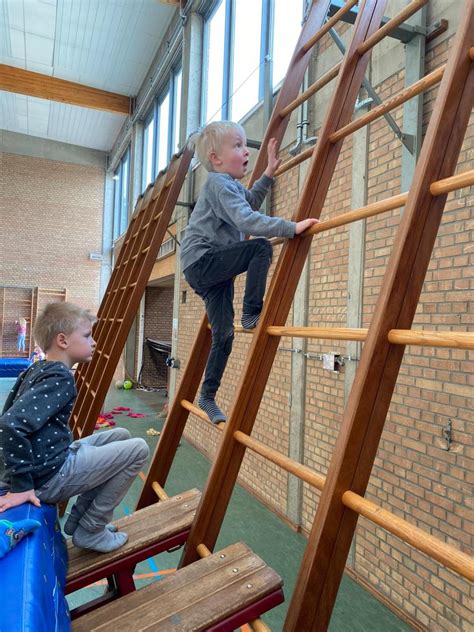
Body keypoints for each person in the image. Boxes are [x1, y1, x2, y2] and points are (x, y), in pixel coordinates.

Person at [181, 121, 319, 423]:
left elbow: (248, 203)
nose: (246, 152)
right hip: (204, 260)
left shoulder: (227, 187)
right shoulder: (218, 184)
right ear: (216, 158)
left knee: (224, 335)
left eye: (246, 145)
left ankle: (207, 395)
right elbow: (247, 219)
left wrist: (268, 173)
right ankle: (252, 312)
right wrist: (291, 228)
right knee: (259, 248)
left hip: (206, 269)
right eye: (238, 146)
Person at [0, 302, 149, 553]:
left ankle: (78, 520)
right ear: (63, 341)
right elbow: (9, 425)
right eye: (87, 336)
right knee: (139, 449)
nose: (94, 343)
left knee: (121, 435)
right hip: (48, 477)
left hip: (51, 458)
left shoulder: (37, 368)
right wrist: (22, 484)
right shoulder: (60, 377)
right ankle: (91, 529)